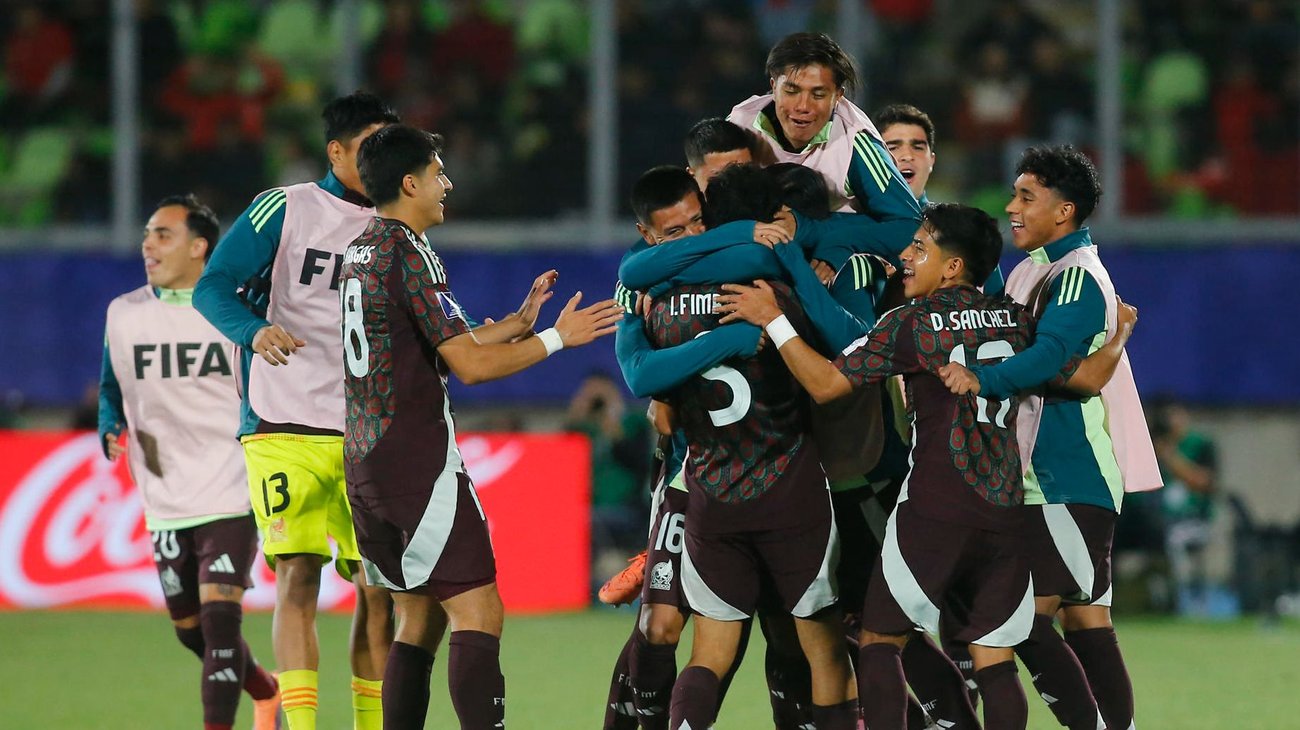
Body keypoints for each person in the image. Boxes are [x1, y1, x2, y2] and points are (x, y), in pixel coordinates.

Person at [718, 203, 1046, 730]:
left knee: (878, 641)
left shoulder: (912, 323)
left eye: (920, 247)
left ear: (953, 267)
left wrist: (774, 320)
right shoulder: (1018, 319)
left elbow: (826, 385)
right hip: (1005, 506)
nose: (906, 256)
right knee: (995, 661)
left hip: (936, 507)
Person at [341, 123, 622, 728]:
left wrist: (519, 322)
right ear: (410, 183)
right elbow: (468, 365)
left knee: (419, 618)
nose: (447, 184)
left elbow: (436, 344)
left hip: (366, 462)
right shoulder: (410, 252)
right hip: (415, 464)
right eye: (438, 173)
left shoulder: (363, 248)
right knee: (480, 613)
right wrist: (556, 339)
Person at [193, 91, 400, 730]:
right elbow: (212, 286)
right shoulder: (286, 208)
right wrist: (254, 330)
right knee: (298, 576)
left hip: (367, 430)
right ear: (336, 151)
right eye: (369, 147)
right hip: (282, 422)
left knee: (379, 594)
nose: (383, 160)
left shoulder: (400, 221)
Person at [938, 145, 1161, 730]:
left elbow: (1048, 356)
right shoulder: (1032, 268)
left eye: (1026, 197)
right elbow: (1063, 367)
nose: (1011, 207)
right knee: (1086, 620)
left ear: (1064, 211)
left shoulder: (1077, 276)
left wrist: (983, 378)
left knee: (1021, 620)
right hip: (1044, 476)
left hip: (1065, 474)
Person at [99, 194, 280, 730]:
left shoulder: (233, 311)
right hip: (165, 493)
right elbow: (112, 388)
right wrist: (109, 424)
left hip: (232, 485)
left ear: (200, 247)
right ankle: (267, 692)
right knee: (190, 632)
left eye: (163, 234)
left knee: (221, 623)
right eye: (147, 234)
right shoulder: (124, 313)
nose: (148, 244)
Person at [727, 32, 921, 233]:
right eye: (791, 91)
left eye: (818, 94)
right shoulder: (740, 125)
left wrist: (811, 230)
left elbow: (907, 221)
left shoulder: (855, 143)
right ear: (774, 86)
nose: (803, 106)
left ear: (838, 96)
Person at [1149, 398, 1219, 614]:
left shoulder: (1201, 444)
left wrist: (1170, 457)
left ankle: (1185, 602)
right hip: (1158, 520)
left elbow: (1205, 483)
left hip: (1194, 520)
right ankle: (1155, 601)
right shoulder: (1154, 445)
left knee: (1173, 539)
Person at [876, 103, 937, 202]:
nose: (908, 156)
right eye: (893, 148)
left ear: (931, 161)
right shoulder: (851, 211)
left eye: (918, 148)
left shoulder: (950, 213)